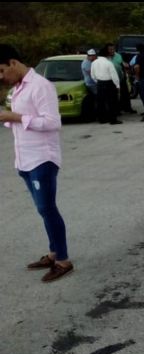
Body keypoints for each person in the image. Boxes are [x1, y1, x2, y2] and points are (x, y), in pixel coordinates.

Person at [0, 44, 75, 283]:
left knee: (47, 209)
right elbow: (21, 121)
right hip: (24, 159)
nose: (1, 77)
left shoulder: (40, 86)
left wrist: (15, 116)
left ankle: (63, 260)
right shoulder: (17, 88)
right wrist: (8, 118)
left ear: (13, 63)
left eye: (2, 70)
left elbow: (52, 122)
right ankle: (53, 253)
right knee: (43, 210)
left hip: (42, 159)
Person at [91, 47, 121, 124]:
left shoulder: (94, 63)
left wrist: (98, 81)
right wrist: (117, 85)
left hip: (100, 83)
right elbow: (114, 75)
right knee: (112, 102)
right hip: (109, 83)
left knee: (101, 102)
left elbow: (92, 75)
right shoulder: (108, 63)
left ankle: (102, 119)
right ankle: (113, 119)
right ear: (107, 55)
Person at [107, 43, 136, 114]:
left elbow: (122, 64)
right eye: (110, 49)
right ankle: (117, 110)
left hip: (121, 77)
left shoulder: (118, 56)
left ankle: (127, 108)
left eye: (113, 49)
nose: (112, 51)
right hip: (111, 79)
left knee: (125, 93)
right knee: (114, 95)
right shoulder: (105, 57)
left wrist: (125, 66)